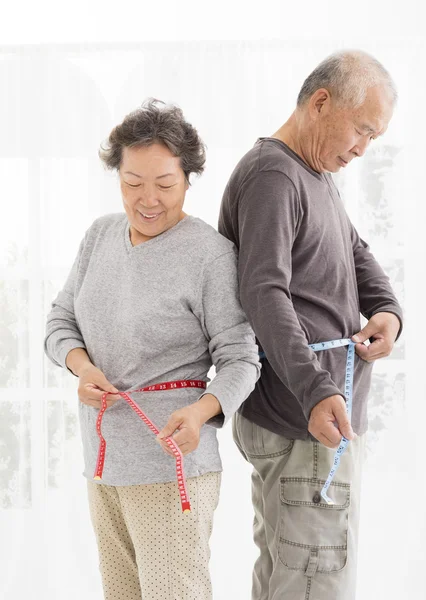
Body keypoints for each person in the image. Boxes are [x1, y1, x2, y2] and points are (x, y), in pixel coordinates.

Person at [44, 98, 261, 600]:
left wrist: (203, 409)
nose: (148, 199)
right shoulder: (99, 236)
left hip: (172, 464)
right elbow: (60, 321)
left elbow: (241, 358)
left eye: (165, 184)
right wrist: (81, 366)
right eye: (132, 182)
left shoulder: (209, 255)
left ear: (188, 179)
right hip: (102, 460)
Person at [218, 50, 403, 600]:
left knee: (291, 573)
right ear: (321, 102)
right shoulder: (275, 176)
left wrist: (388, 310)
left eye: (376, 136)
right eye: (361, 129)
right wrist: (316, 389)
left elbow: (354, 251)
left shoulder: (314, 172)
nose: (363, 149)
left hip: (316, 414)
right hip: (305, 416)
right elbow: (263, 292)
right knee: (312, 582)